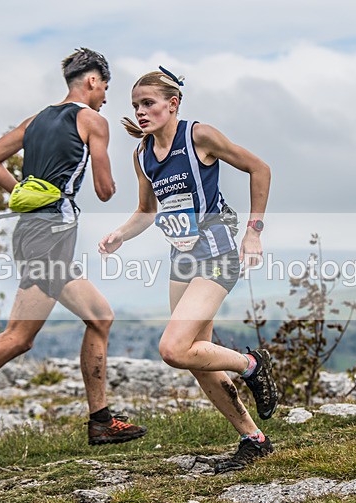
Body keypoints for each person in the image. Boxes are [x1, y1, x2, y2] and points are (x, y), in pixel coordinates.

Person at [0, 48, 146, 469]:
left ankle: (101, 420)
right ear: (92, 81)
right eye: (106, 88)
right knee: (19, 336)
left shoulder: (34, 120)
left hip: (35, 231)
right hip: (51, 235)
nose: (106, 98)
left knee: (100, 316)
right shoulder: (93, 121)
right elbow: (106, 189)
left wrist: (24, 192)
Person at [98, 67, 278, 473]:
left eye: (149, 103)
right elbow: (146, 212)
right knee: (198, 359)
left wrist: (254, 232)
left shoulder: (199, 136)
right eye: (136, 106)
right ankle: (255, 440)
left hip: (217, 255)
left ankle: (253, 366)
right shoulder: (142, 154)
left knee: (173, 349)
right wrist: (120, 235)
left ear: (172, 103)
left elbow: (260, 168)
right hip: (182, 261)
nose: (141, 112)